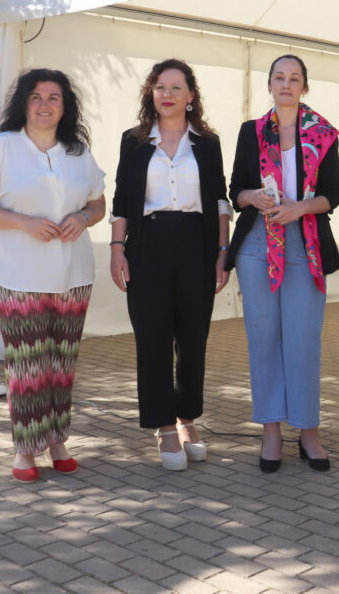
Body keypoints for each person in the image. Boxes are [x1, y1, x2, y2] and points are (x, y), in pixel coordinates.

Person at [0, 69, 105, 482]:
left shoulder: (79, 152)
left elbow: (99, 203)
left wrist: (83, 216)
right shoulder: (2, 147)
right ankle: (25, 449)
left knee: (61, 364)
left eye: (54, 97)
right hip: (17, 275)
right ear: (23, 103)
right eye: (36, 97)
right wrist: (23, 223)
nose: (45, 104)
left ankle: (58, 439)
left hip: (73, 274)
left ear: (66, 106)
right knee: (28, 366)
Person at [109, 59, 231, 471]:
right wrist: (116, 248)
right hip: (148, 245)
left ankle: (187, 421)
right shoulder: (134, 141)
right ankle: (163, 425)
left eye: (176, 87)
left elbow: (220, 201)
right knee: (154, 336)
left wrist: (222, 254)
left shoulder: (209, 143)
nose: (167, 94)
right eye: (160, 87)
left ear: (191, 96)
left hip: (197, 245)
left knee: (193, 338)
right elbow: (123, 200)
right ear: (151, 93)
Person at [226, 54, 339, 474]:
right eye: (280, 77)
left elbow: (334, 194)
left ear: (304, 87)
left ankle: (308, 430)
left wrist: (298, 209)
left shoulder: (324, 135)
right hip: (258, 243)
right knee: (264, 339)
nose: (287, 85)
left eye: (295, 79)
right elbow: (235, 188)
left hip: (304, 243)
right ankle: (271, 431)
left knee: (303, 340)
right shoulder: (251, 132)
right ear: (270, 85)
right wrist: (252, 197)